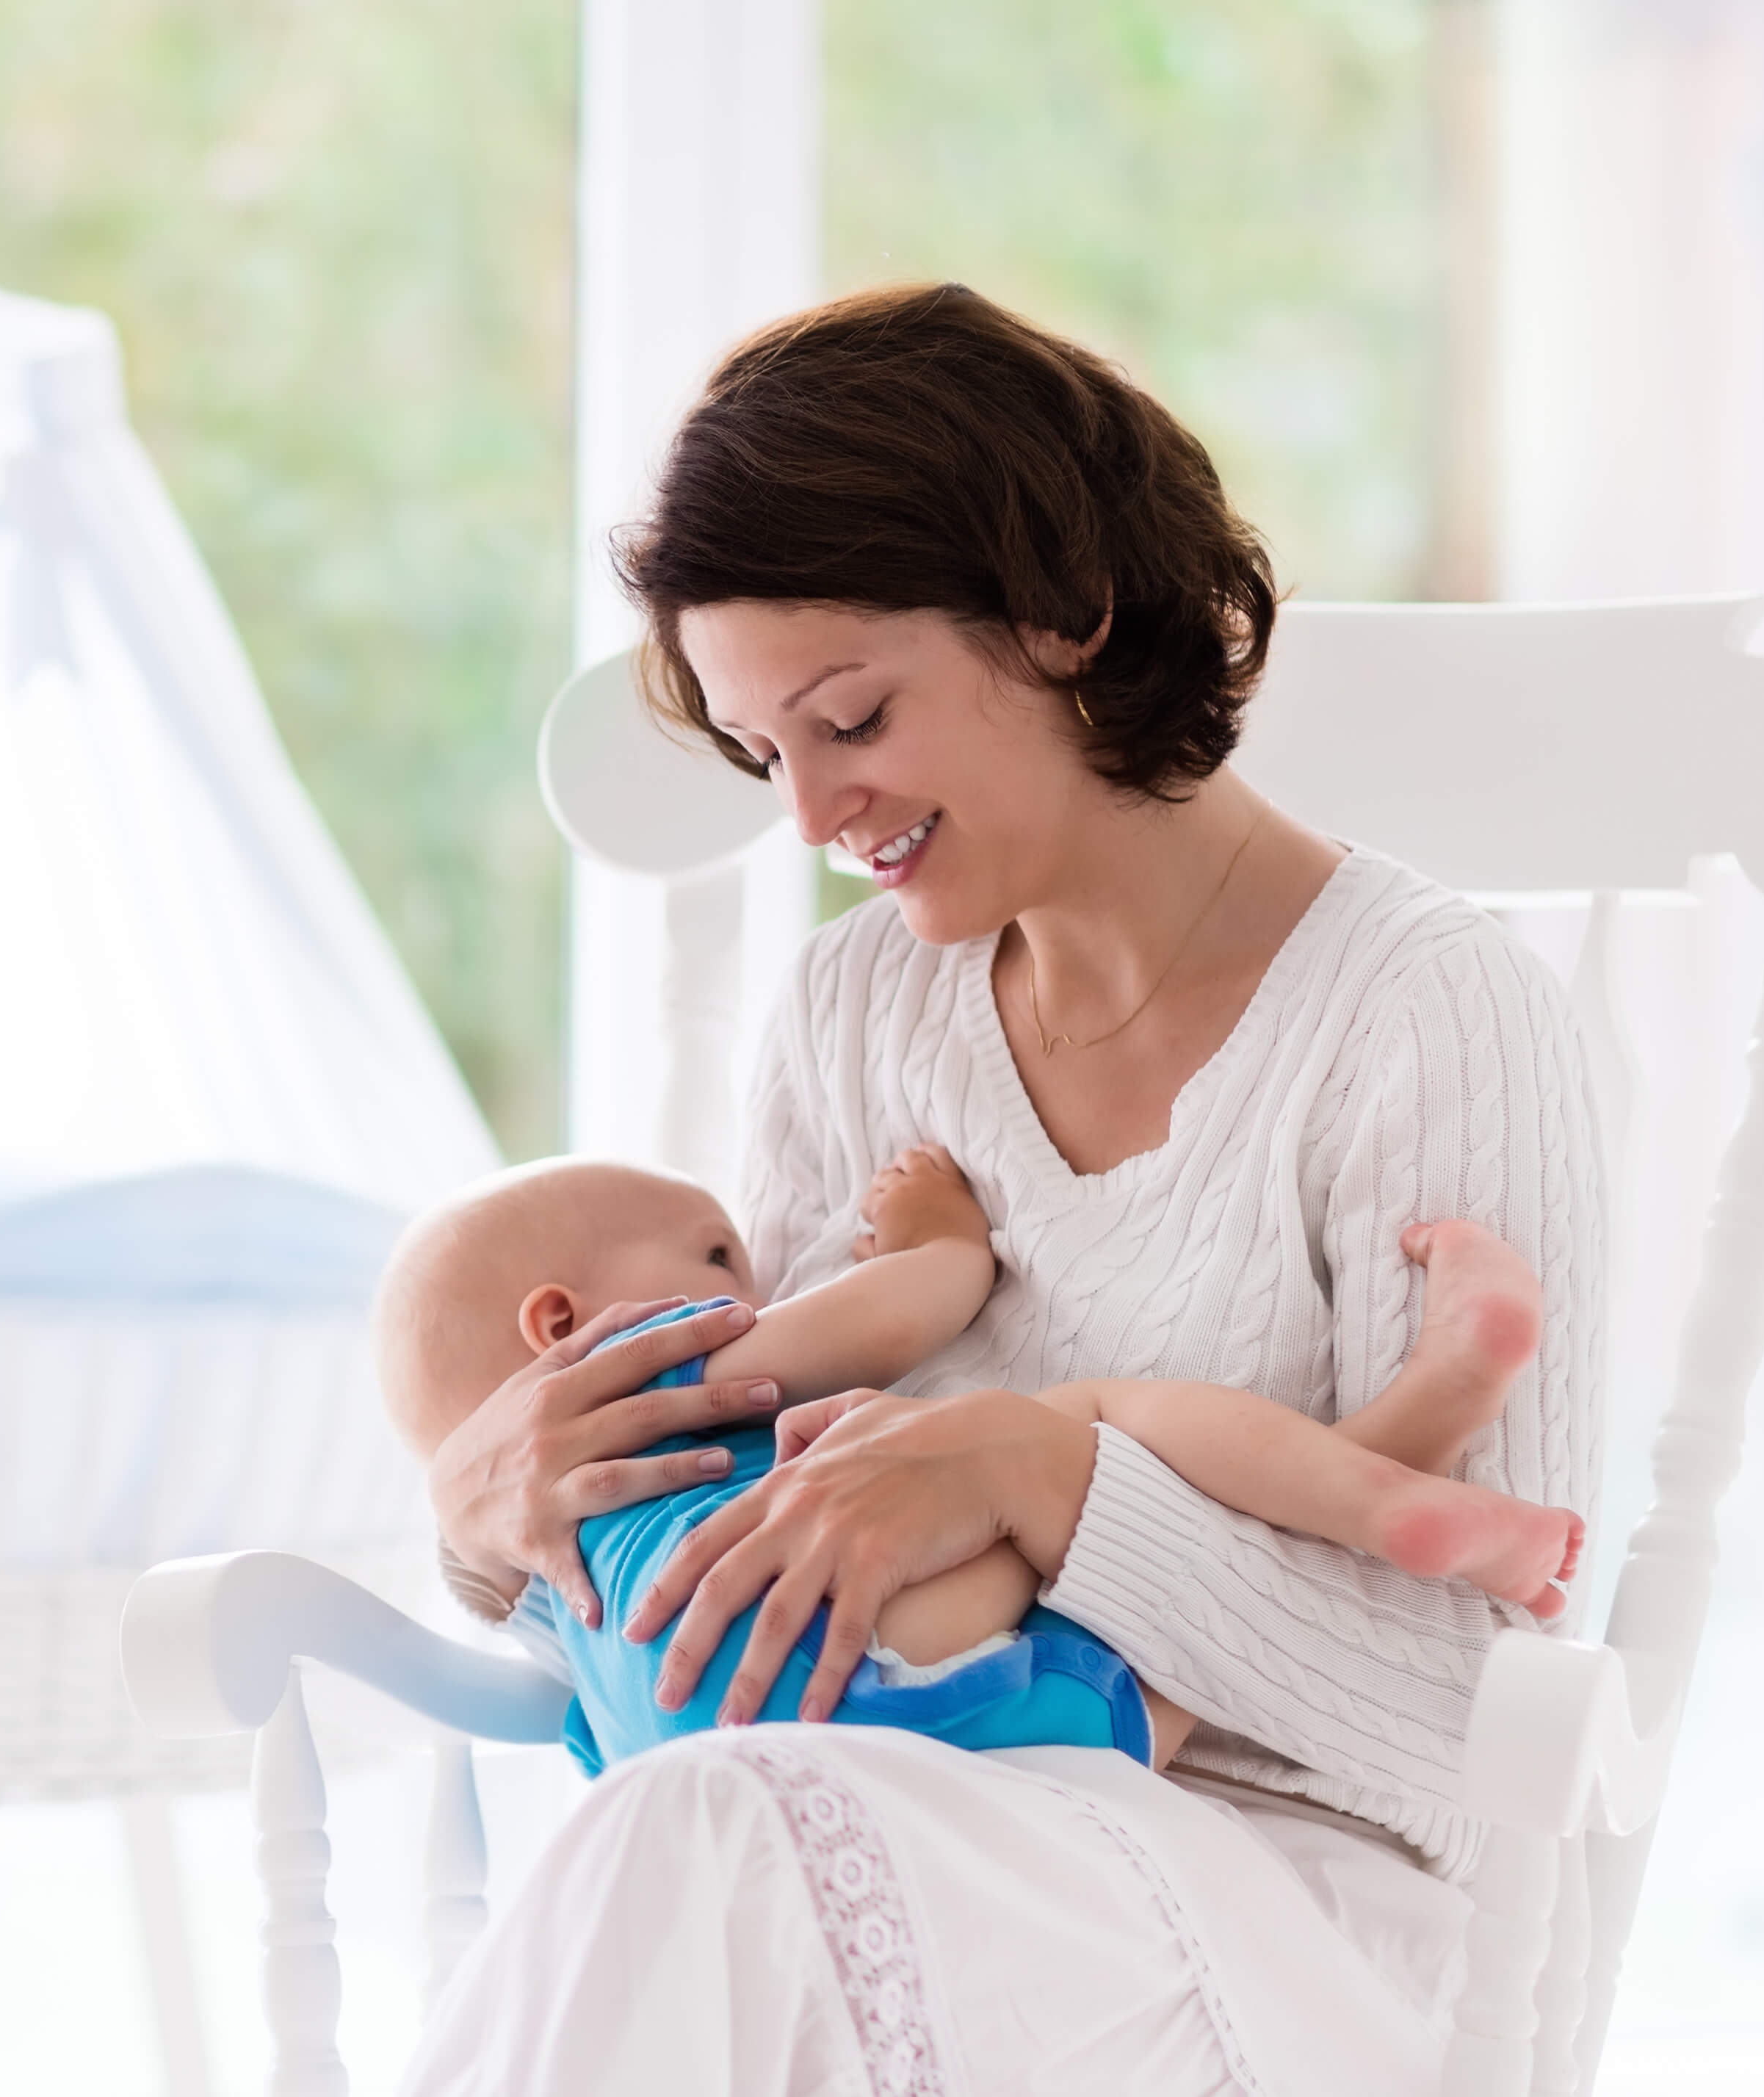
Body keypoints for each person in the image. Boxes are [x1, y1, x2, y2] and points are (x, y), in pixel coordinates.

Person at [408, 283, 1602, 2096]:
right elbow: (762, 1516)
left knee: (701, 1846)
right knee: (708, 1842)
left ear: (1061, 617)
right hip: (905, 1829)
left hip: (1306, 1912)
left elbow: (1468, 1718)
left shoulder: (1425, 1016)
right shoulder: (857, 1005)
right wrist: (487, 1515)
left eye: (852, 717)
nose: (812, 813)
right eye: (766, 754)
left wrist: (1059, 1480)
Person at [373, 1147, 1572, 1776]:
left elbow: (607, 1745)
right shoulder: (646, 1367)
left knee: (1185, 1679)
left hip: (736, 1756)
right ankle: (1402, 1456)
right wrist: (939, 1240)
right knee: (1087, 1427)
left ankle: (1410, 1442)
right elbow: (918, 1305)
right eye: (719, 1255)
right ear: (560, 1326)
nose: (760, 1289)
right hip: (859, 1636)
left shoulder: (546, 1598)